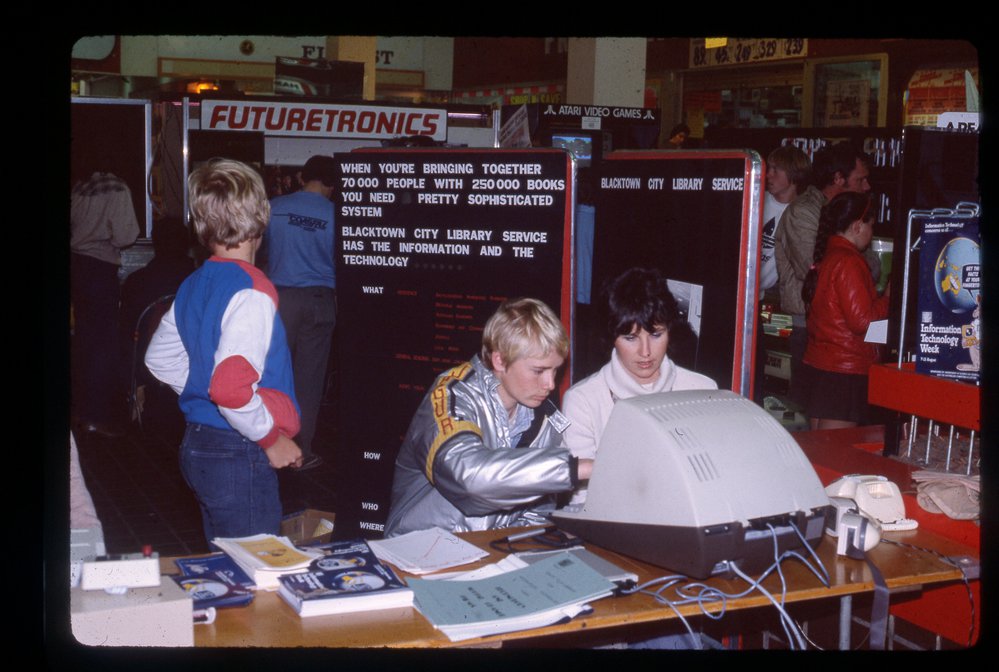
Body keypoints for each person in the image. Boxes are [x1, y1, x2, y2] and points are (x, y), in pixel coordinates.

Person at [145, 159, 302, 543]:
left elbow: (158, 359)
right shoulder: (253, 291)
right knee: (256, 569)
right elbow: (230, 389)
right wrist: (270, 438)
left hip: (198, 444)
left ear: (200, 224)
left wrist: (204, 389)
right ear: (262, 215)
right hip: (238, 450)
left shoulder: (194, 282)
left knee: (226, 565)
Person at [384, 298, 592, 537]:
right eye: (539, 370)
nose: (550, 383)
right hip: (417, 550)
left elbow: (537, 513)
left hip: (487, 553)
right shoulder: (450, 395)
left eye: (555, 369)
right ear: (500, 360)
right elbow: (469, 479)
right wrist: (574, 468)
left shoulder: (547, 421)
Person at [562, 268, 717, 506]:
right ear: (611, 337)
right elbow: (581, 501)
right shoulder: (583, 400)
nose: (645, 352)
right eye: (631, 338)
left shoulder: (703, 390)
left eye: (656, 335)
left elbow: (713, 481)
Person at [774, 142, 871, 407]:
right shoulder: (804, 212)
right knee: (816, 410)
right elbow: (811, 266)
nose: (866, 186)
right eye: (860, 179)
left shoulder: (850, 226)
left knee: (825, 408)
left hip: (838, 330)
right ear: (839, 178)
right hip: (813, 327)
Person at [263, 155, 338, 471]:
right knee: (309, 378)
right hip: (319, 299)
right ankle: (300, 452)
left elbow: (260, 252)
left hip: (278, 301)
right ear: (331, 184)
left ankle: (267, 442)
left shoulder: (274, 208)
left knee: (272, 374)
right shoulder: (336, 215)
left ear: (303, 177)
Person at [799, 192, 889, 430]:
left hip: (824, 366)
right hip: (845, 371)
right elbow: (862, 321)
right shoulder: (849, 261)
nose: (871, 234)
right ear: (858, 226)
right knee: (835, 456)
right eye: (871, 225)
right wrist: (888, 298)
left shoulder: (829, 256)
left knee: (820, 450)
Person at [70, 162, 139, 437]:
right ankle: (97, 417)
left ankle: (83, 411)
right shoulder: (116, 186)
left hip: (77, 266)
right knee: (104, 344)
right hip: (100, 268)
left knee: (84, 340)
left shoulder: (80, 186)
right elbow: (127, 235)